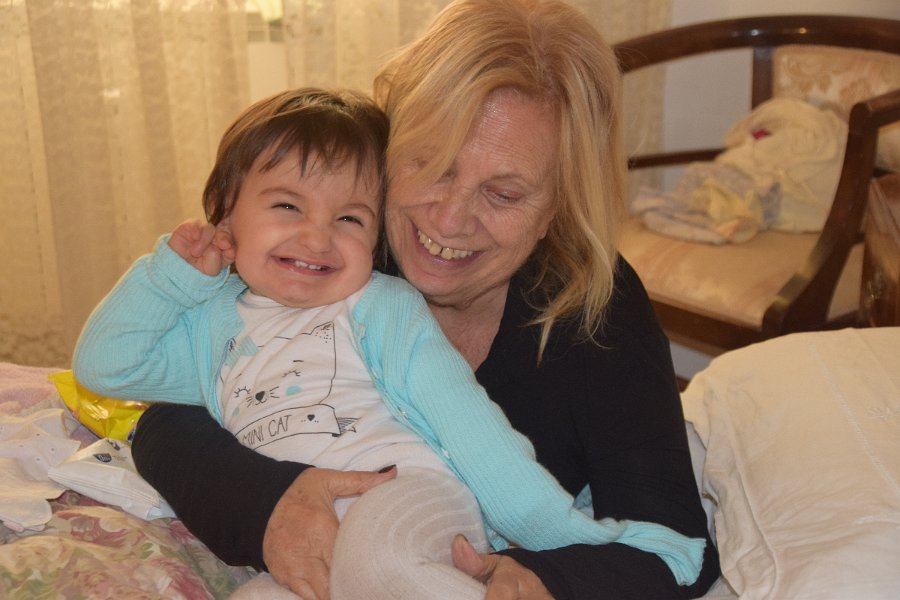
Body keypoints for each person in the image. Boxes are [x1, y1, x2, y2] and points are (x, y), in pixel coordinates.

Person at [129, 0, 722, 598]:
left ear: (558, 207)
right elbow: (165, 424)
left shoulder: (591, 305)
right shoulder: (336, 256)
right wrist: (268, 503)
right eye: (432, 166)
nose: (450, 220)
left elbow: (674, 545)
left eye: (503, 194)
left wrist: (548, 577)